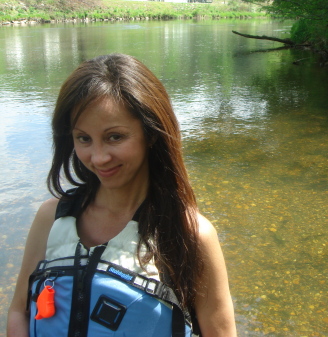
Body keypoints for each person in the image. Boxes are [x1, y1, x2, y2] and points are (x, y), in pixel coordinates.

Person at [7, 53, 236, 337]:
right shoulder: (51, 218)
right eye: (84, 138)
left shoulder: (191, 234)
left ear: (151, 133)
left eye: (115, 137)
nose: (99, 157)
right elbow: (20, 310)